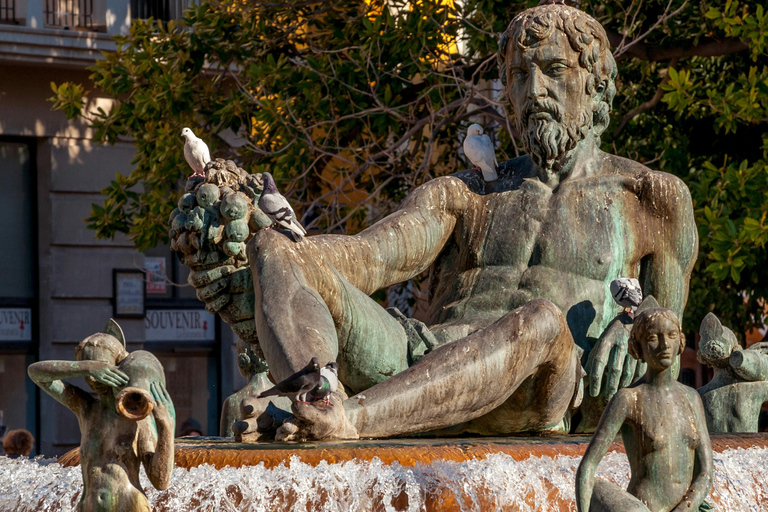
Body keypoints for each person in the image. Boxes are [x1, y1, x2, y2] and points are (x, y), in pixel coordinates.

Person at [180, 2, 697, 441]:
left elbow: (666, 342)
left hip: (545, 386)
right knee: (276, 248)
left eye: (554, 70)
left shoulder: (650, 198)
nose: (534, 88)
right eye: (519, 75)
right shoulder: (468, 193)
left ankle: (348, 420)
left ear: (597, 83)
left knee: (542, 319)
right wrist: (260, 235)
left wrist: (635, 319)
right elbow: (364, 258)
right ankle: (316, 395)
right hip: (419, 364)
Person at [575, 308, 713, 512]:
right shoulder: (628, 399)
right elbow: (587, 468)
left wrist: (685, 508)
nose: (665, 345)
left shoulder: (692, 398)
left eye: (671, 335)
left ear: (680, 342)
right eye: (653, 338)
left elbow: (706, 473)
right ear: (638, 347)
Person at [28, 323, 175, 512]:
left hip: (130, 505)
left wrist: (166, 427)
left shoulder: (138, 417)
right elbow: (35, 373)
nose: (94, 381)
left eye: (104, 370)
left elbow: (161, 481)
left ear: (119, 366)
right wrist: (85, 367)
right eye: (89, 376)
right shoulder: (86, 408)